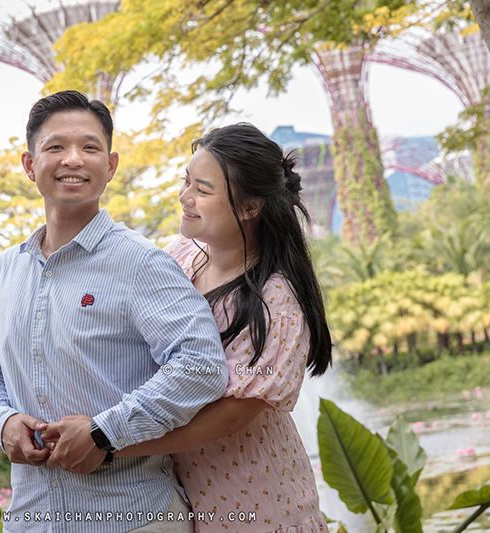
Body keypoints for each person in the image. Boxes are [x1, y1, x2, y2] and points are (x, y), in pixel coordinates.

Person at [0, 90, 229, 533]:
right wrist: (2, 421)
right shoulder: (3, 271)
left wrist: (104, 433)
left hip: (134, 517)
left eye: (89, 147)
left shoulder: (142, 262)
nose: (73, 159)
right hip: (30, 520)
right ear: (30, 166)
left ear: (110, 166)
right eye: (55, 147)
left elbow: (202, 365)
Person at [46, 123, 332, 532]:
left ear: (250, 207)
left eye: (203, 188)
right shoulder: (181, 257)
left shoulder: (275, 299)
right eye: (186, 182)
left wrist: (106, 442)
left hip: (263, 505)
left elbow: (231, 415)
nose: (185, 197)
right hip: (186, 502)